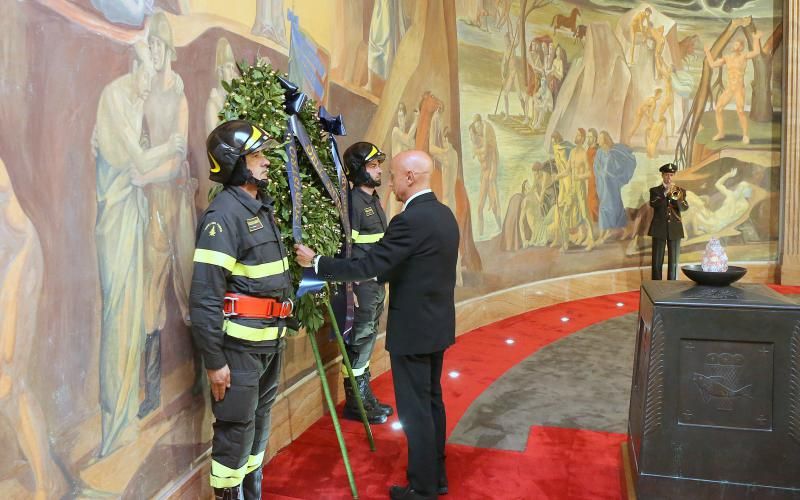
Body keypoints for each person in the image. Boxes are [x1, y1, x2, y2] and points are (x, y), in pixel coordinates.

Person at [295, 150, 459, 500]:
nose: (390, 181)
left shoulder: (409, 220)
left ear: (410, 177)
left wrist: (318, 263)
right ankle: (437, 476)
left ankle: (422, 488)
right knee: (432, 401)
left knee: (415, 410)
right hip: (437, 327)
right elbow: (409, 266)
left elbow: (368, 265)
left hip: (413, 331)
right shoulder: (444, 215)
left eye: (395, 174)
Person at [190, 120, 295, 499]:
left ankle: (252, 493)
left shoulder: (259, 208)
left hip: (269, 345)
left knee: (257, 429)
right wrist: (215, 361)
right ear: (234, 161)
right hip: (239, 351)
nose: (266, 161)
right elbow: (204, 296)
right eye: (256, 155)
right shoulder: (223, 217)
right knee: (236, 432)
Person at [340, 142, 393, 425]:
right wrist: (352, 289)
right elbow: (347, 250)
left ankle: (364, 395)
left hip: (375, 283)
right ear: (358, 169)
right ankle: (355, 402)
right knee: (359, 339)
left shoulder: (373, 200)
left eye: (378, 165)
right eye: (373, 166)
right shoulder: (353, 203)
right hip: (361, 286)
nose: (379, 170)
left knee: (369, 336)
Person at [704, 31, 762, 145]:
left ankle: (745, 135)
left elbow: (756, 52)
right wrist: (707, 52)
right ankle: (721, 133)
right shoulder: (727, 58)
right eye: (734, 44)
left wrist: (756, 39)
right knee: (718, 108)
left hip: (739, 89)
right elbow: (712, 64)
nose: (734, 46)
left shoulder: (744, 56)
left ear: (741, 47)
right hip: (730, 89)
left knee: (740, 111)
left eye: (737, 45)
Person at [648, 162, 689, 280]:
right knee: (657, 261)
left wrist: (676, 196)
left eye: (671, 175)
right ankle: (656, 285)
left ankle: (672, 285)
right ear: (662, 175)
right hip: (659, 228)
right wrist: (665, 193)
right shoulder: (655, 191)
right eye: (666, 175)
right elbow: (653, 204)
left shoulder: (680, 191)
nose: (669, 177)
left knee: (674, 262)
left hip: (675, 229)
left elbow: (684, 207)